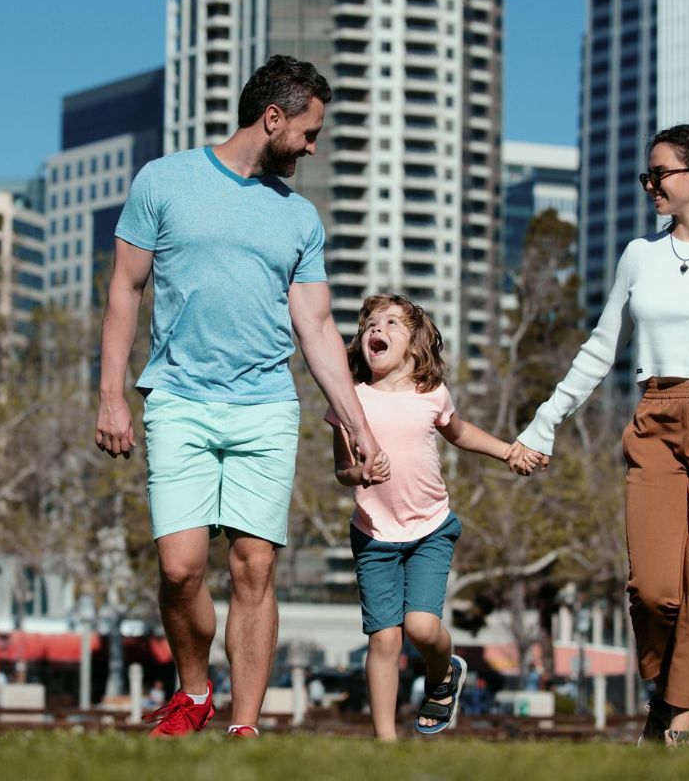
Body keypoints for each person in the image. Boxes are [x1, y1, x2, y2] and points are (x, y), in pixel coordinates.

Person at [96, 55, 385, 739]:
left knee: (254, 568)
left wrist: (356, 422)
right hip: (178, 400)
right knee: (180, 568)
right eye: (309, 133)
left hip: (265, 408)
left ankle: (245, 728)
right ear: (273, 117)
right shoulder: (164, 182)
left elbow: (315, 327)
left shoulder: (300, 220)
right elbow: (124, 290)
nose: (313, 147)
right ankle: (194, 690)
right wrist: (111, 395)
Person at [508, 125, 689, 747]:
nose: (650, 186)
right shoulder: (641, 254)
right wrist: (546, 418)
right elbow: (599, 349)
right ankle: (667, 696)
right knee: (654, 587)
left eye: (659, 174)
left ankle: (675, 729)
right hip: (658, 416)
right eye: (648, 176)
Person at [327, 294, 527, 740]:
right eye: (371, 324)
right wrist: (359, 471)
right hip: (374, 535)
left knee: (420, 626)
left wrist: (508, 451)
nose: (377, 329)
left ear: (415, 345)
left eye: (392, 323)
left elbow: (460, 433)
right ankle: (386, 744)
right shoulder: (348, 399)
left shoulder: (430, 393)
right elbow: (342, 470)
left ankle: (443, 672)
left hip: (430, 528)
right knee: (383, 640)